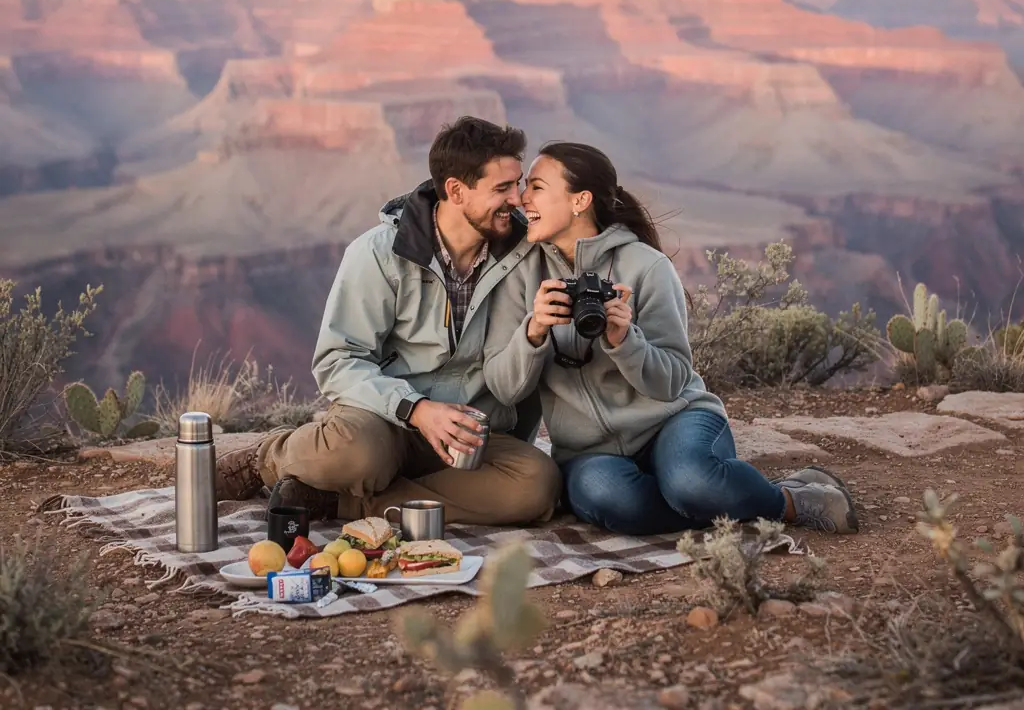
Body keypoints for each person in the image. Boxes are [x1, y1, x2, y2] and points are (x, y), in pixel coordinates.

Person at [481, 141, 859, 537]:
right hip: (588, 451)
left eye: (536, 187)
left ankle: (789, 500)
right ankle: (723, 502)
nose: (523, 199)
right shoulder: (520, 275)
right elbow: (504, 388)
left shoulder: (646, 266)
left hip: (673, 422)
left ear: (580, 200)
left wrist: (625, 340)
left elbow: (673, 381)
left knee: (691, 482)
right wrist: (533, 331)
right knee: (607, 497)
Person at [215, 116, 561, 526]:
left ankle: (345, 503)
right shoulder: (378, 253)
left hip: (470, 433)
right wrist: (415, 409)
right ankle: (268, 457)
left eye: (518, 184)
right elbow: (336, 361)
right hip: (385, 421)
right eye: (502, 188)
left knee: (536, 486)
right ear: (455, 190)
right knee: (356, 457)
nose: (518, 199)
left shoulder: (525, 252)